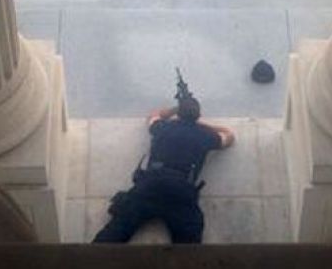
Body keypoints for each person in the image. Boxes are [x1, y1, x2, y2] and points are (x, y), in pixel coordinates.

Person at [92, 97, 235, 243]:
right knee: (190, 246)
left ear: (179, 113)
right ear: (198, 115)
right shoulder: (204, 135)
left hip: (150, 185)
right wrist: (203, 125)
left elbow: (154, 116)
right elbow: (229, 136)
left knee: (116, 231)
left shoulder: (164, 127)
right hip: (180, 191)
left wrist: (175, 109)